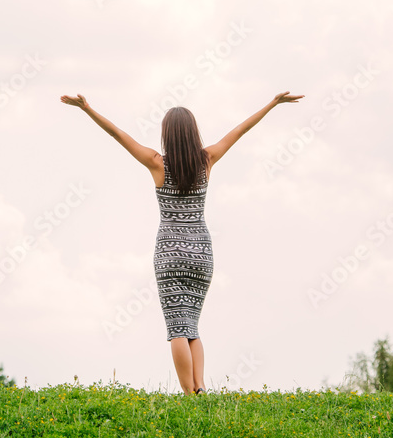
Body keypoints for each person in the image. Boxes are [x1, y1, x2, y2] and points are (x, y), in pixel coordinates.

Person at [60, 91, 304, 395]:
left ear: (166, 135)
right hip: (202, 252)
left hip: (169, 253)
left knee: (177, 326)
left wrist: (86, 108)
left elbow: (117, 134)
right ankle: (199, 387)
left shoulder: (156, 163)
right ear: (193, 132)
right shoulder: (207, 160)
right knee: (192, 326)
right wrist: (272, 104)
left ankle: (189, 395)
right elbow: (241, 130)